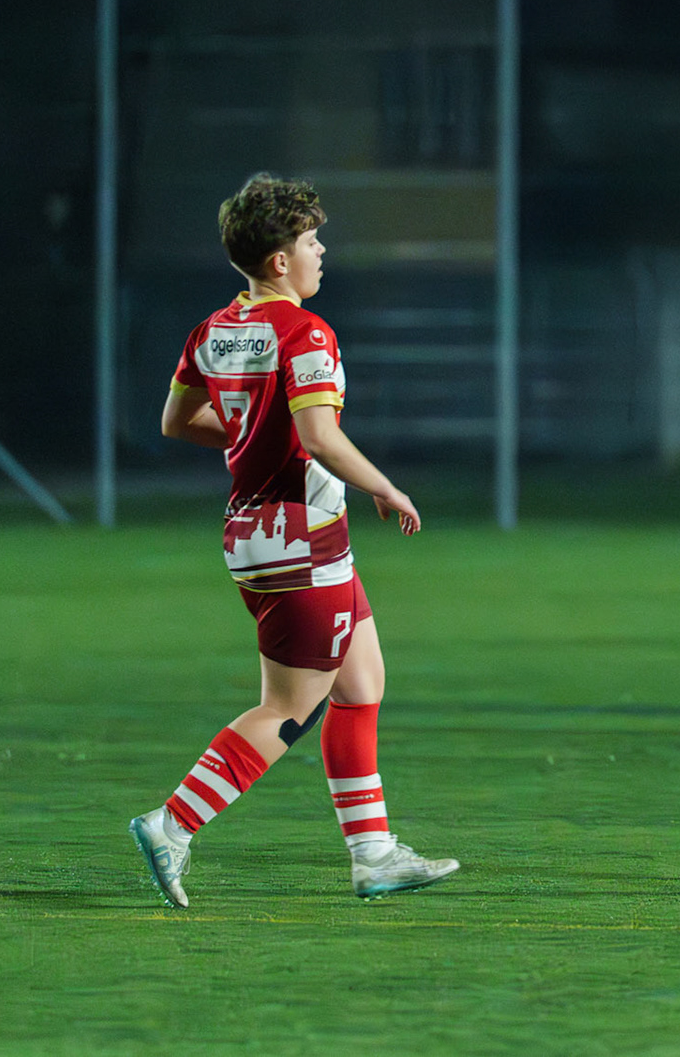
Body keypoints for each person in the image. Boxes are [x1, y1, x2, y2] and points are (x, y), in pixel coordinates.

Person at [128, 174, 459, 908]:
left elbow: (177, 422)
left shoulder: (212, 330)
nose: (321, 252)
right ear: (280, 261)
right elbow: (319, 436)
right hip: (300, 540)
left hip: (261, 534)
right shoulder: (305, 332)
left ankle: (374, 856)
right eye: (311, 241)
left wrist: (253, 437)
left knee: (361, 686)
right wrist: (385, 487)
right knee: (288, 707)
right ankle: (172, 824)